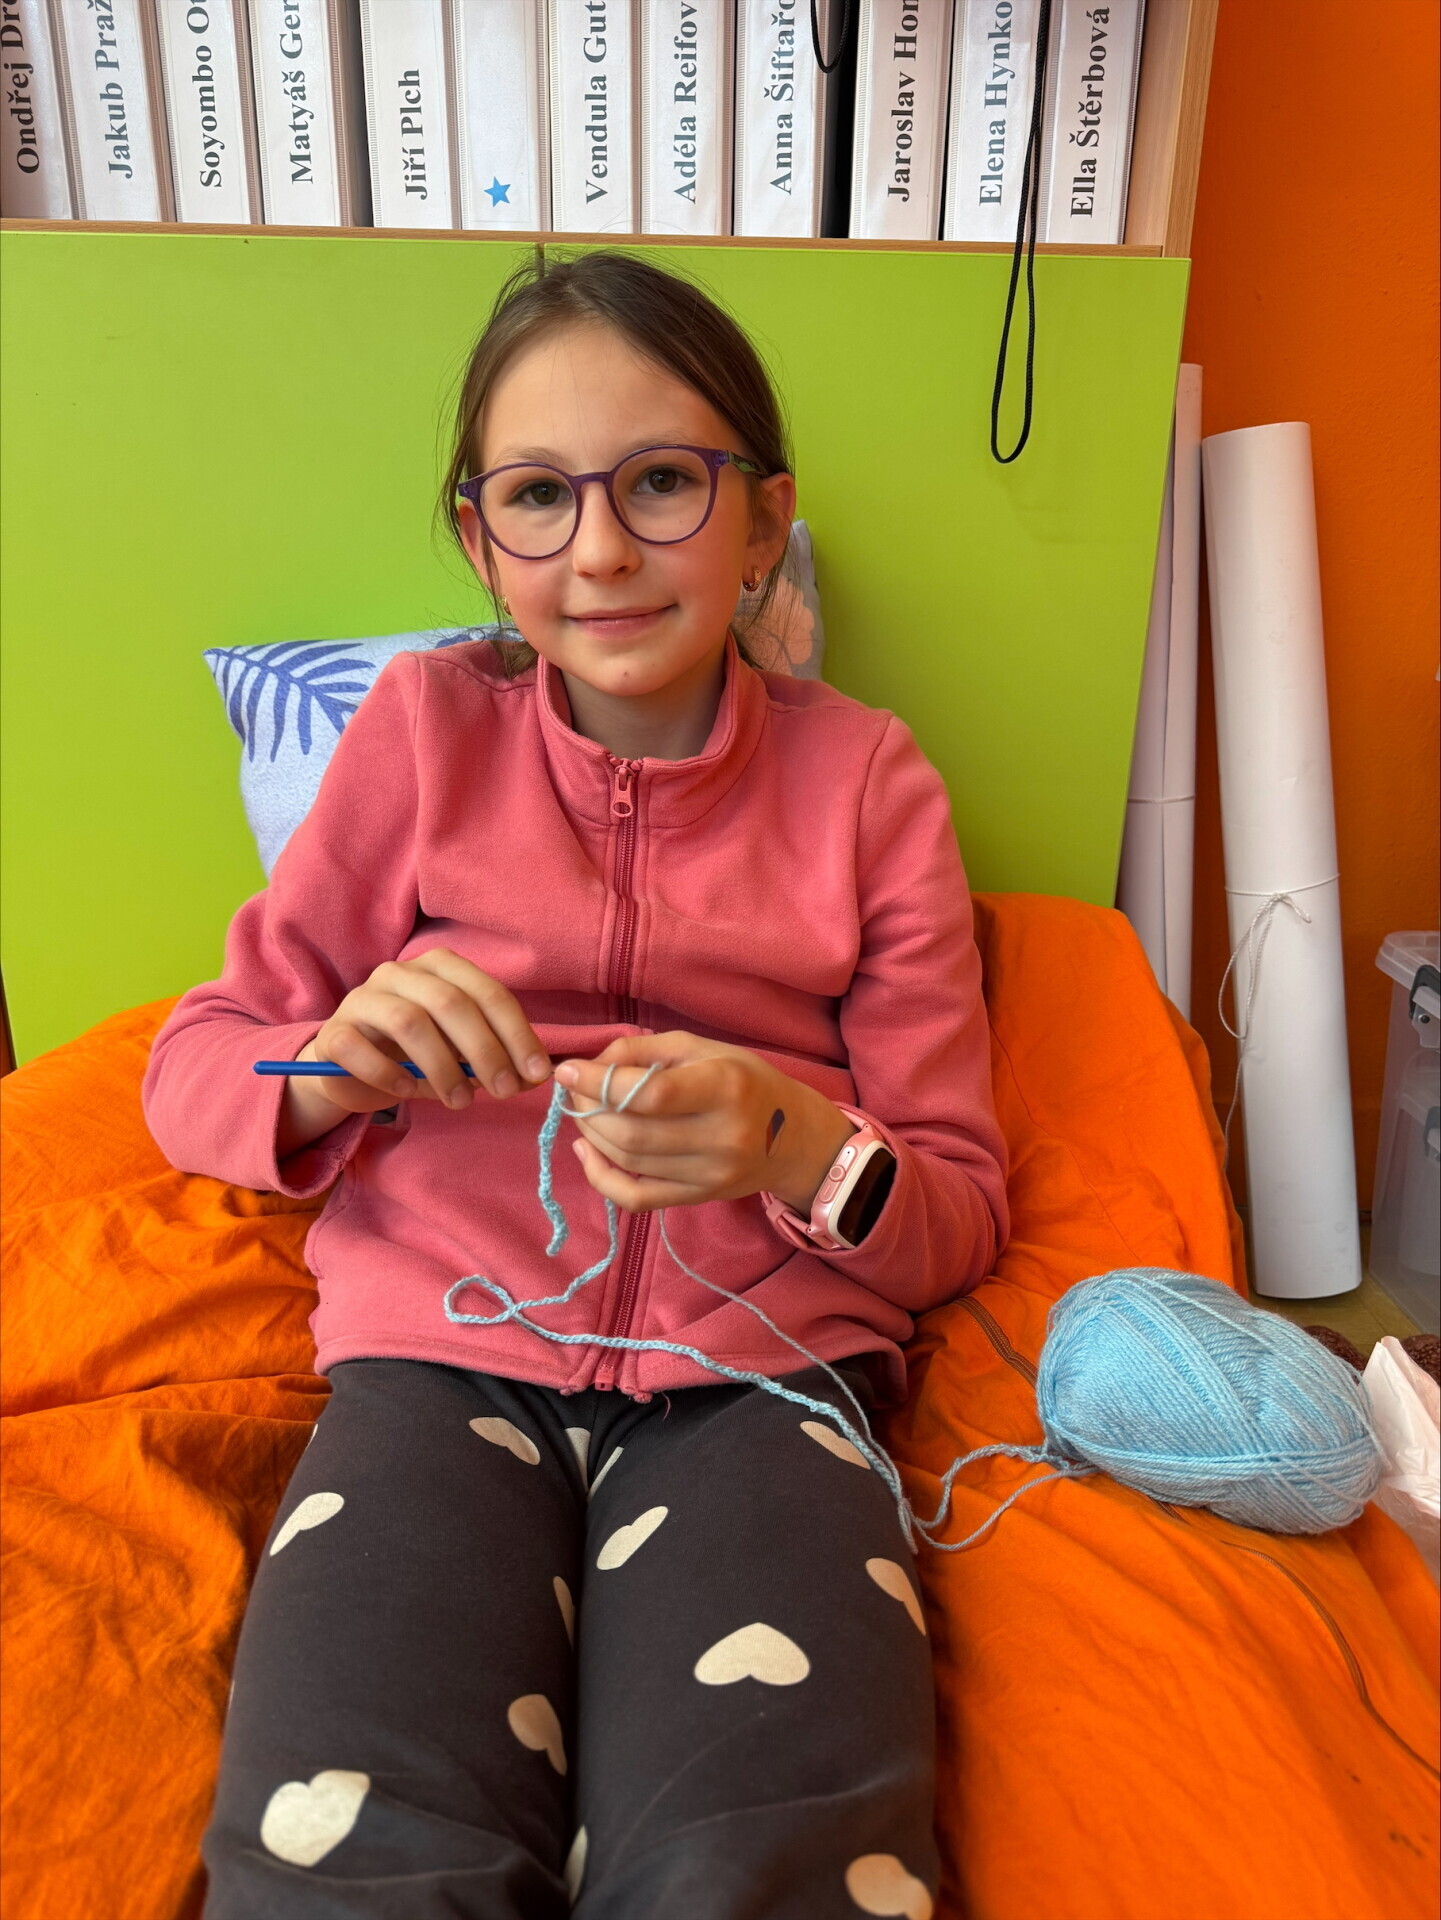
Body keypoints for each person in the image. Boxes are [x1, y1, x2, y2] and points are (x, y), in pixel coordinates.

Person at [144, 249, 1007, 1919]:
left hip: (764, 1382)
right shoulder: (421, 733)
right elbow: (198, 1062)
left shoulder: (866, 785)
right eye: (539, 495)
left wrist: (794, 1144)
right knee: (346, 1841)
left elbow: (955, 1207)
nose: (599, 549)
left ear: (762, 523)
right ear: (481, 542)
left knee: (759, 1856)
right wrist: (334, 1067)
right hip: (435, 1361)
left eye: (662, 482)